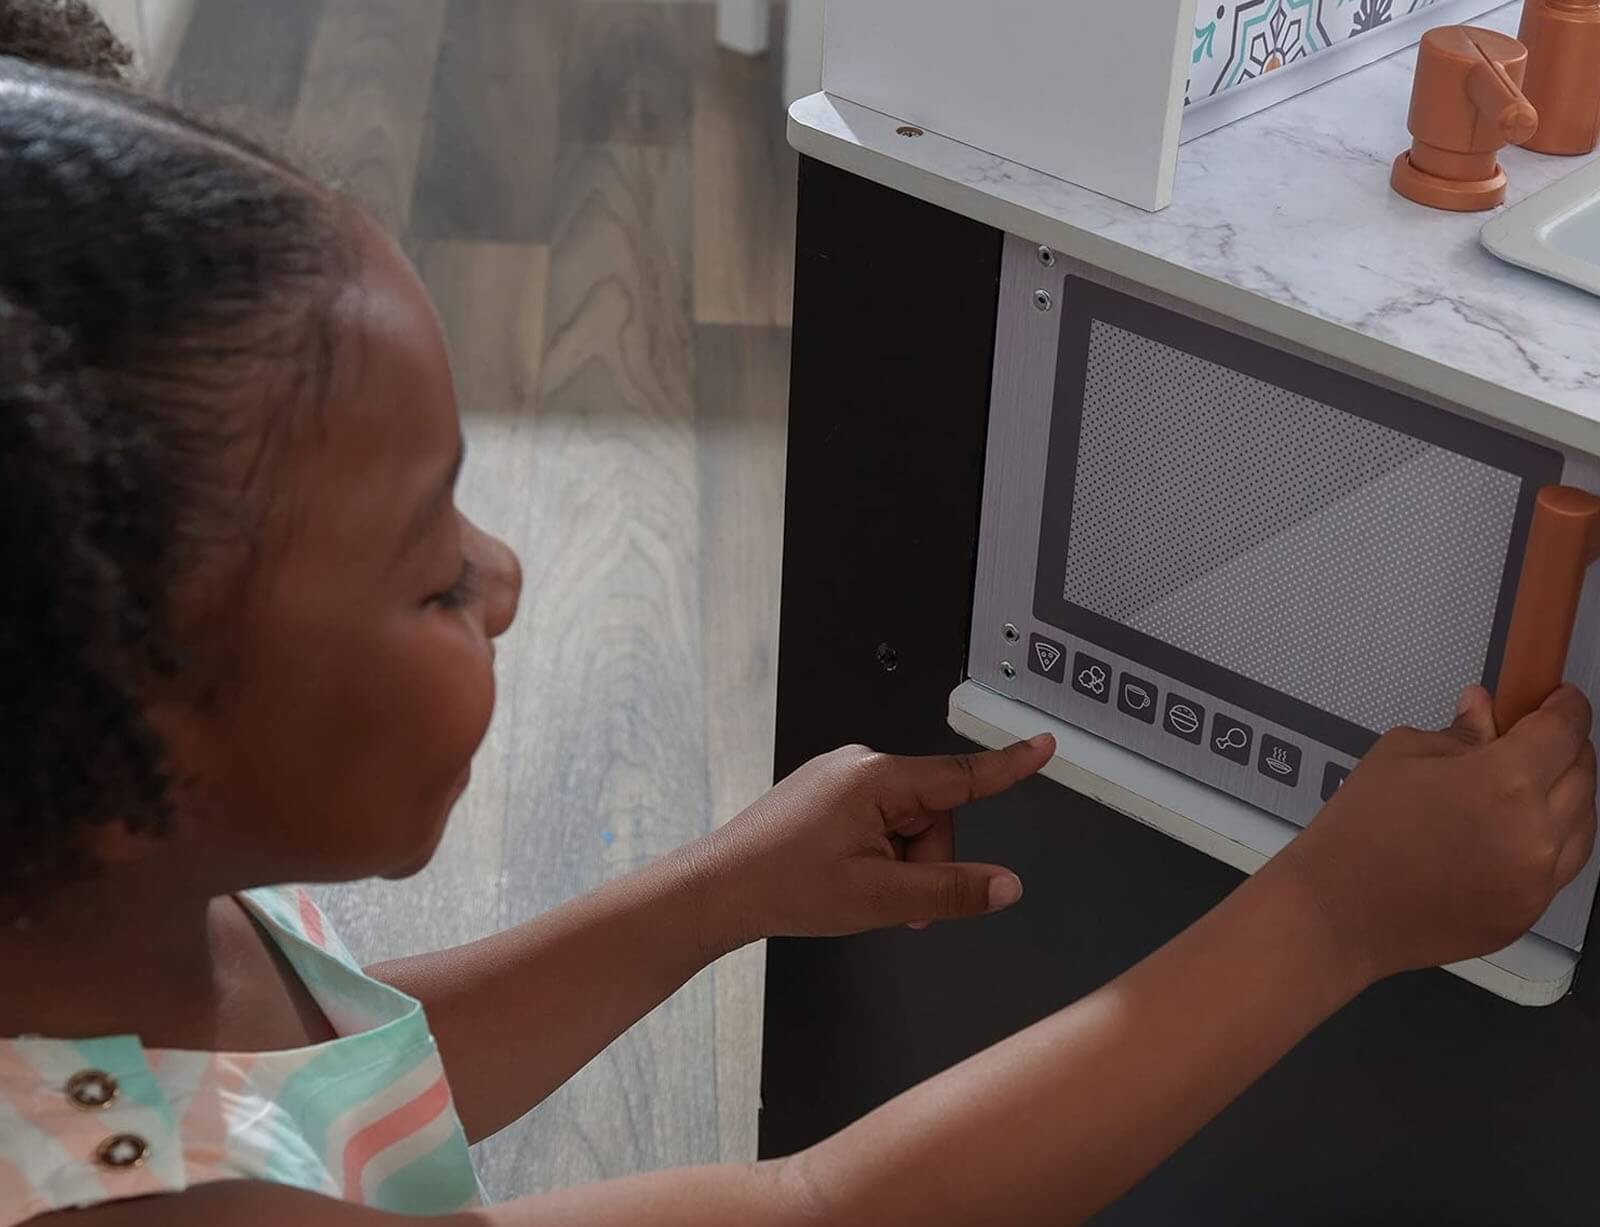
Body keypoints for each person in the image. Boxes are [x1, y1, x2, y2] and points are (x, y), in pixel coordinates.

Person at [1, 8, 1594, 1226]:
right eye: (430, 575)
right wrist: (1331, 920)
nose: (507, 578)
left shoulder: (95, 911)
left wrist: (715, 894)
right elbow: (825, 1210)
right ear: (124, 730)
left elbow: (335, 1089)